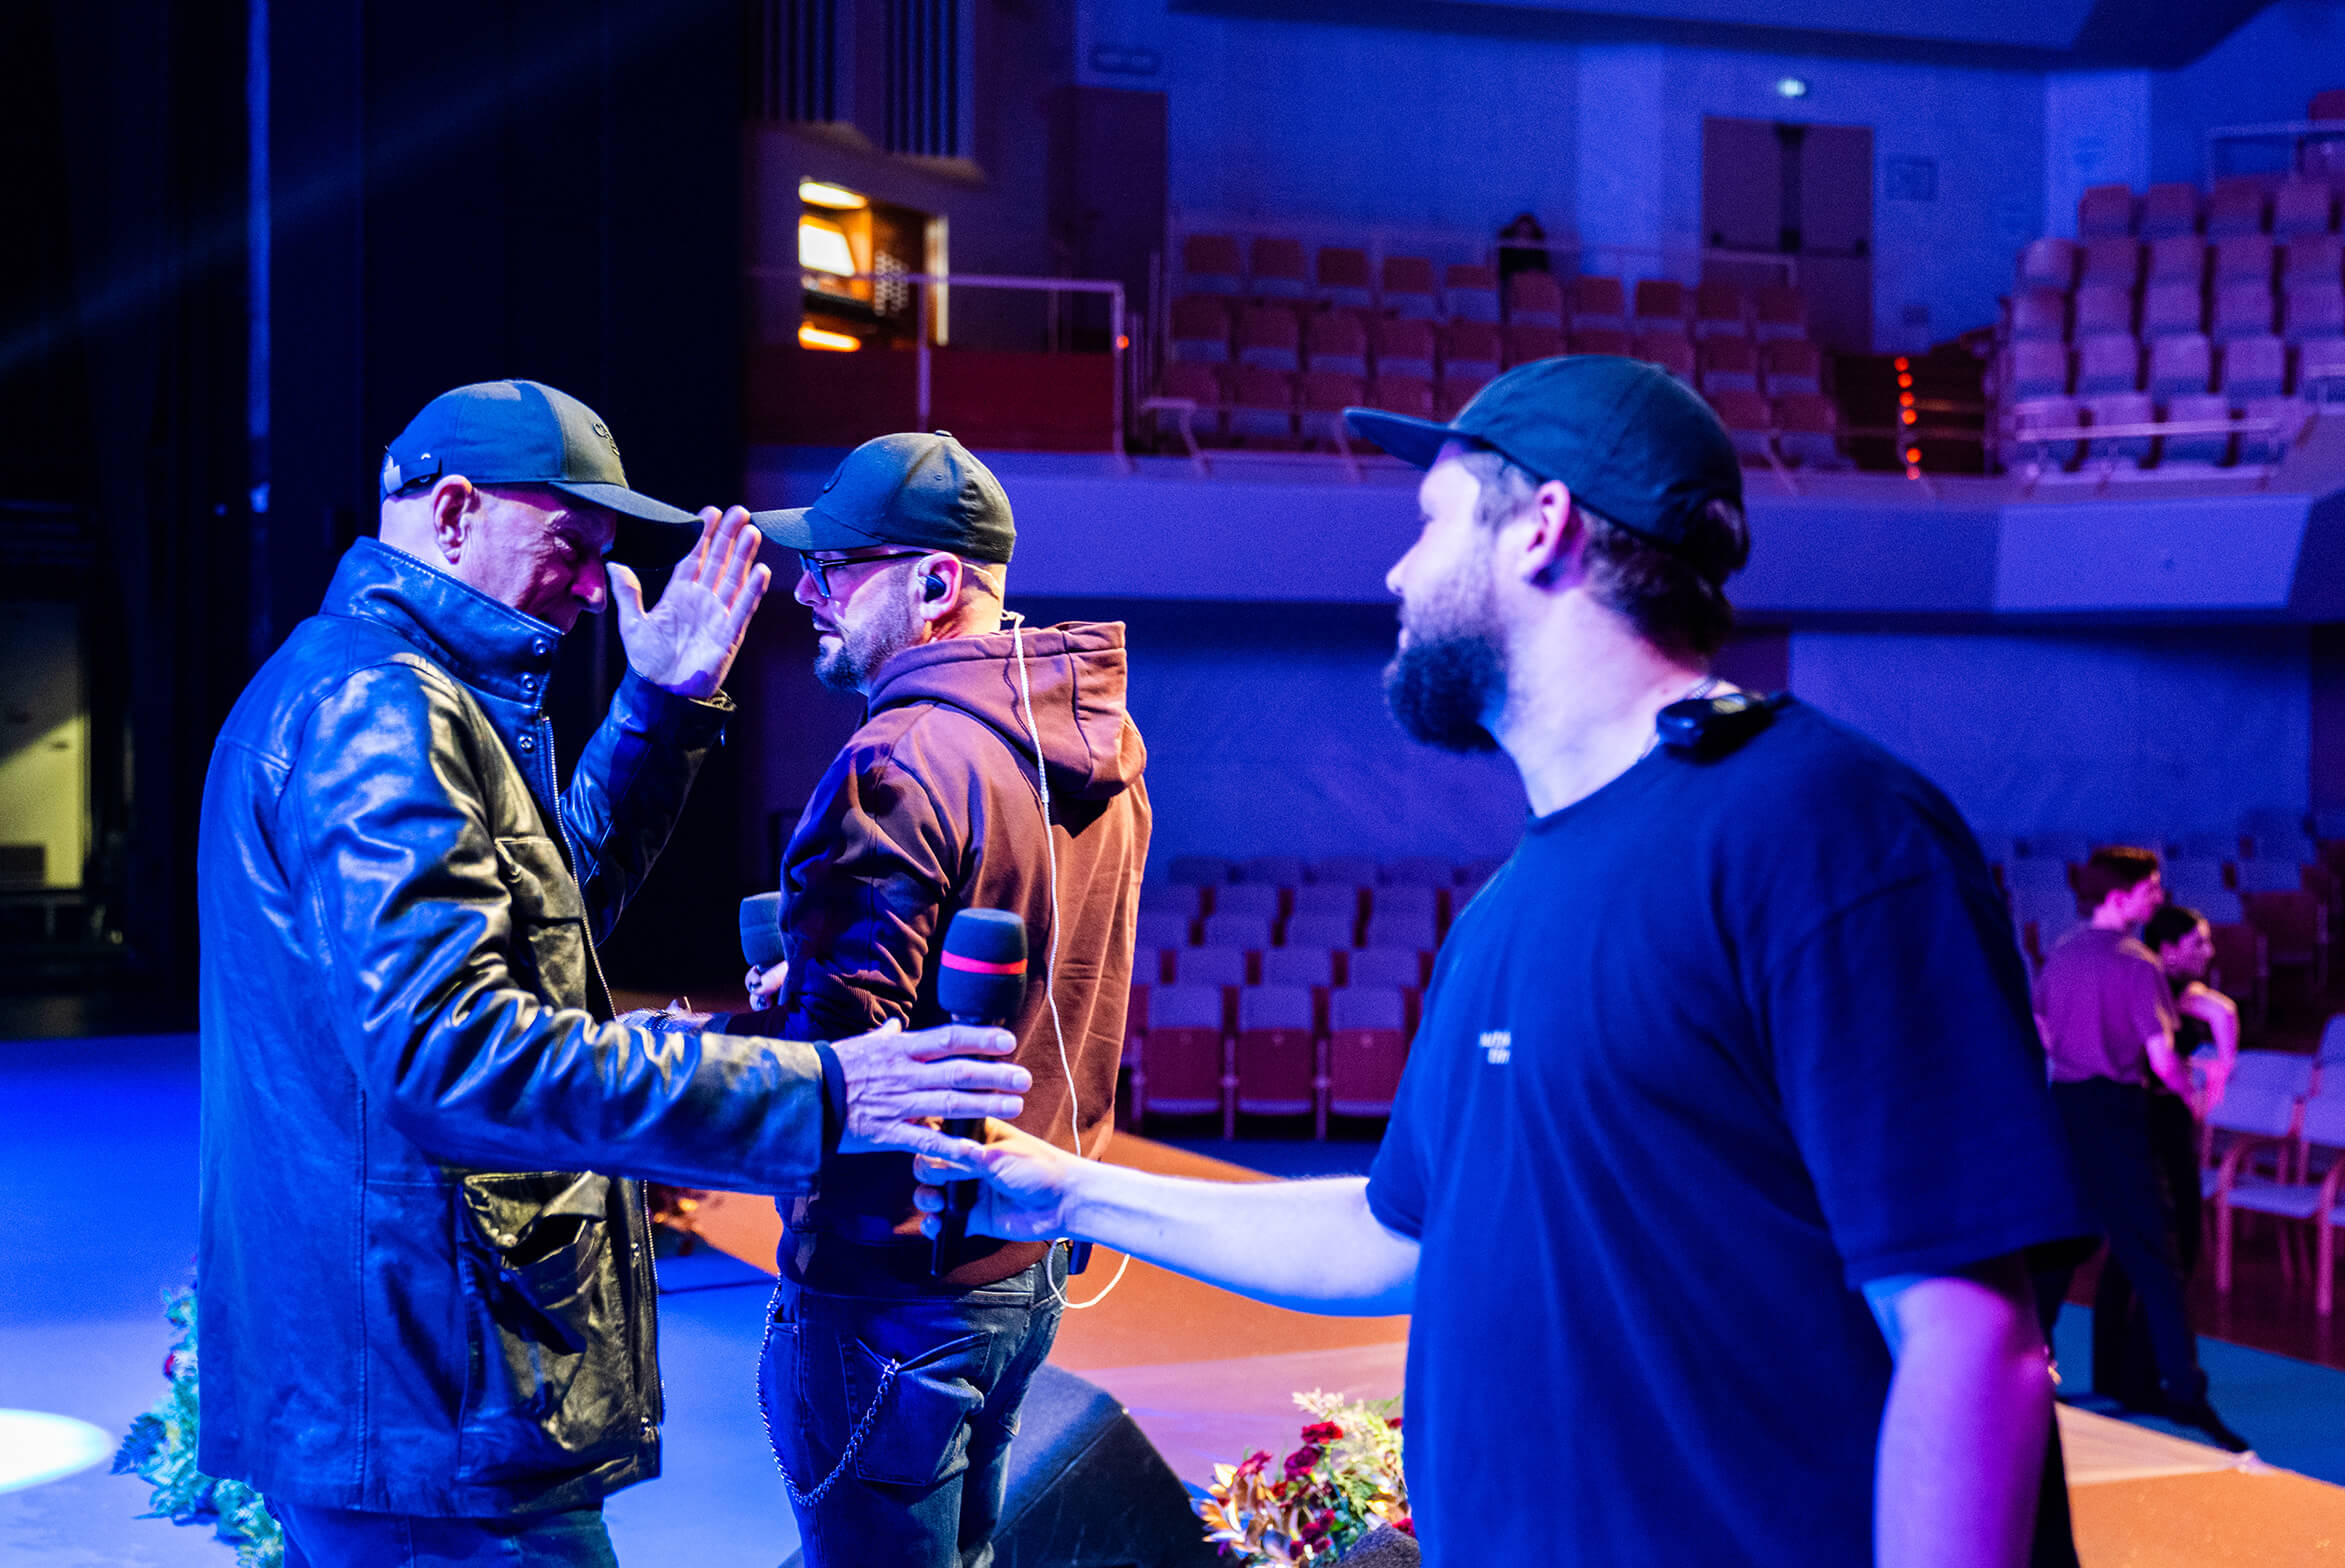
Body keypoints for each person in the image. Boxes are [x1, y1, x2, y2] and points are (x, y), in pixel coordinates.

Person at [915, 356, 2093, 1567]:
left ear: (1543, 528)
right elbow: (1399, 1238)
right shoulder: (1508, 908)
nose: (1397, 569)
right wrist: (1060, 1191)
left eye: (1430, 523)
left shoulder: (1821, 828)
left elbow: (1971, 1343)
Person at [196, 381, 1034, 1568]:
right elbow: (455, 1055)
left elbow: (540, 922)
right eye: (571, 547)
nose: (595, 587)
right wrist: (820, 1090)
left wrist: (660, 713)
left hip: (416, 1387)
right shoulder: (378, 710)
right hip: (435, 1406)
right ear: (451, 512)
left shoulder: (384, 686)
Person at [745, 431, 1150, 1568]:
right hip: (1022, 1275)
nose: (805, 588)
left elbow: (836, 1070)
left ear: (935, 583)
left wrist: (740, 1040)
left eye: (838, 565)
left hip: (888, 1289)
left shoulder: (898, 760)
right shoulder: (1107, 754)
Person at [2029, 850, 2250, 1451]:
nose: (2158, 897)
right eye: (2150, 888)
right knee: (2156, 1258)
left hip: (2065, 1108)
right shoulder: (2136, 963)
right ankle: (2186, 1392)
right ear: (2121, 895)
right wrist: (2191, 1092)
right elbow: (2160, 1060)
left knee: (2054, 1258)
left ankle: (2031, 1380)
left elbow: (2044, 1033)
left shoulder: (2064, 952)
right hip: (2119, 1114)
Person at [2085, 903, 2239, 1406]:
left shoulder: (2162, 990)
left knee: (2133, 1252)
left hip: (2139, 1126)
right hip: (2154, 1128)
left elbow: (2222, 1012)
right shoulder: (2149, 988)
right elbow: (2185, 1043)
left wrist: (2218, 1072)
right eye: (2199, 943)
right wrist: (2200, 1092)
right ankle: (2140, 1378)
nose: (2209, 952)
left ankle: (2117, 1375)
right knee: (2170, 1249)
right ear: (2169, 950)